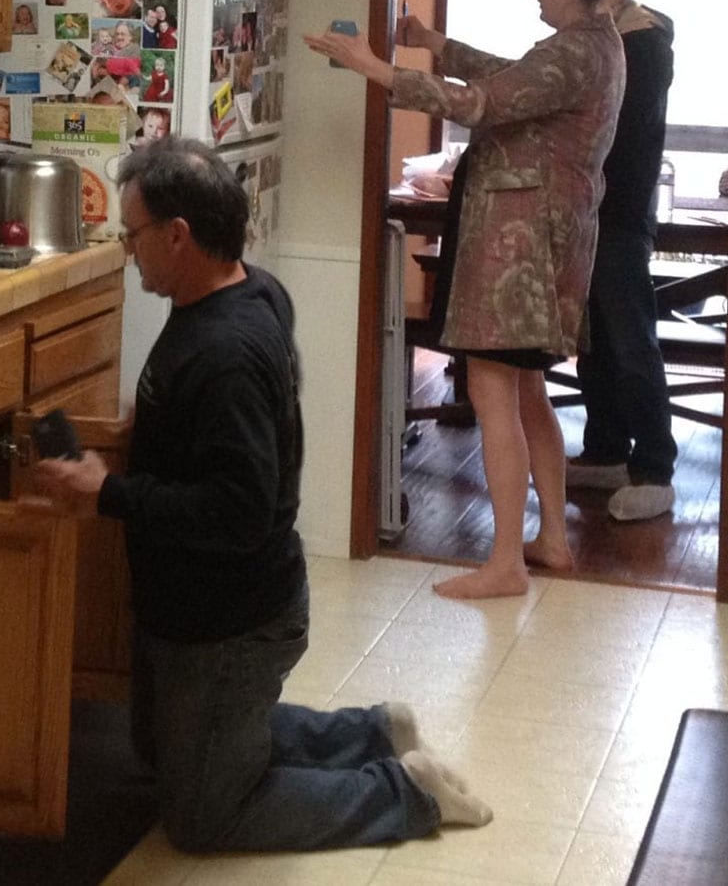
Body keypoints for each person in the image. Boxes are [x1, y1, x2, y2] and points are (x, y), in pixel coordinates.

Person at [27, 139, 491, 850]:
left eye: (134, 235)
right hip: (190, 606)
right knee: (163, 751)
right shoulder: (248, 288)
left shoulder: (225, 354)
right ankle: (373, 732)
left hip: (233, 618)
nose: (128, 250)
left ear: (178, 237)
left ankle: (405, 791)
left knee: (205, 815)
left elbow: (237, 512)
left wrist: (110, 492)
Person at [307, 0, 625, 599]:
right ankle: (553, 541)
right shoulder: (598, 44)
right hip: (552, 238)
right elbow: (512, 81)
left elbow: (481, 102)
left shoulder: (574, 50)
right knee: (526, 388)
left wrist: (374, 68)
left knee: (490, 389)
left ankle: (506, 560)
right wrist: (432, 42)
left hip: (522, 244)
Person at [570, 0, 681, 521]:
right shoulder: (597, 36)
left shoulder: (645, 40)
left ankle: (656, 467)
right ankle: (606, 450)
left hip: (622, 211)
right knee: (595, 341)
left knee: (632, 338)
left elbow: (612, 127)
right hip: (587, 209)